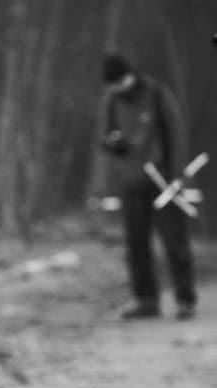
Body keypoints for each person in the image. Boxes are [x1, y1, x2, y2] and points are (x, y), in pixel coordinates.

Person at [98, 53, 196, 320]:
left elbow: (176, 135)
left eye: (117, 84)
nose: (115, 90)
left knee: (175, 241)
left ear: (127, 77)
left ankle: (185, 300)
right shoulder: (112, 101)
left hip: (163, 181)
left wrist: (179, 177)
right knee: (136, 243)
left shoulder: (156, 94)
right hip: (131, 181)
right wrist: (113, 145)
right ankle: (145, 300)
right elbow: (106, 138)